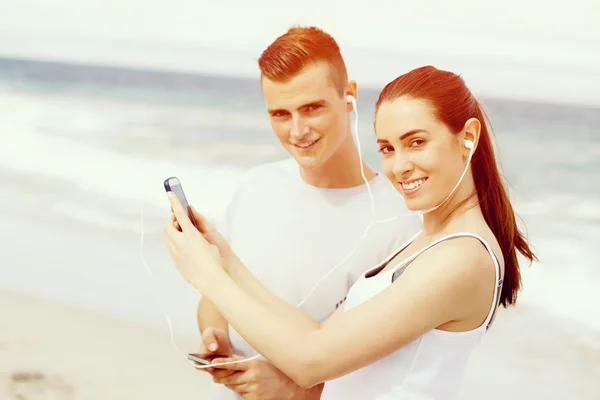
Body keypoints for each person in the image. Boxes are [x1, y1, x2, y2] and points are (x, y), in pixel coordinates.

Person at [166, 65, 539, 399]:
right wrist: (227, 262)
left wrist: (209, 278)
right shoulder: (425, 242)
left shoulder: (463, 258)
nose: (400, 166)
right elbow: (318, 337)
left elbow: (309, 361)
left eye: (416, 142)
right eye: (387, 149)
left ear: (467, 138)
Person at [193, 26, 422, 400]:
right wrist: (215, 337)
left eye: (311, 108)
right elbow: (218, 295)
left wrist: (294, 390)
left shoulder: (398, 226)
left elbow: (384, 379)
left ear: (349, 96)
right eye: (281, 114)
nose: (298, 131)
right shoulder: (256, 186)